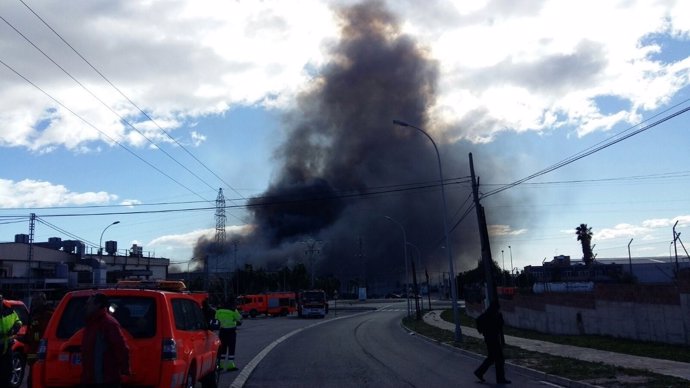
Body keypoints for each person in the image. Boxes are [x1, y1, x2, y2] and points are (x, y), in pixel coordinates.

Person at [81, 293, 130, 388]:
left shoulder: (108, 324)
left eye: (89, 304)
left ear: (98, 305)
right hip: (91, 379)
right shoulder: (91, 323)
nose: (86, 306)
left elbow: (121, 348)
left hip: (106, 380)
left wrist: (125, 370)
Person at [474, 300, 511, 384]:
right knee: (499, 359)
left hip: (490, 339)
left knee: (491, 358)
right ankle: (500, 379)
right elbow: (498, 326)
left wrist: (482, 331)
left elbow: (499, 327)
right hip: (493, 339)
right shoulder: (492, 314)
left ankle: (479, 372)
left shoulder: (490, 314)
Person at [27, 292, 54, 388]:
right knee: (31, 377)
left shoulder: (48, 314)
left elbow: (44, 333)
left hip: (42, 349)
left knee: (40, 377)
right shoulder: (34, 313)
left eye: (38, 300)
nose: (35, 302)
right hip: (33, 349)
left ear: (44, 301)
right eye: (34, 300)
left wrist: (35, 332)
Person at [215, 297, 242, 371]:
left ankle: (220, 365)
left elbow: (216, 318)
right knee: (231, 348)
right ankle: (231, 365)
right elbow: (239, 318)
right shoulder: (233, 310)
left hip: (222, 331)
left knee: (222, 348)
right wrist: (237, 321)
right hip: (231, 332)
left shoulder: (219, 310)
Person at [0, 294, 22, 385]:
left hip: (7, 347)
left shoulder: (9, 310)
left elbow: (18, 321)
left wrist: (15, 328)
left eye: (0, 300)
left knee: (8, 372)